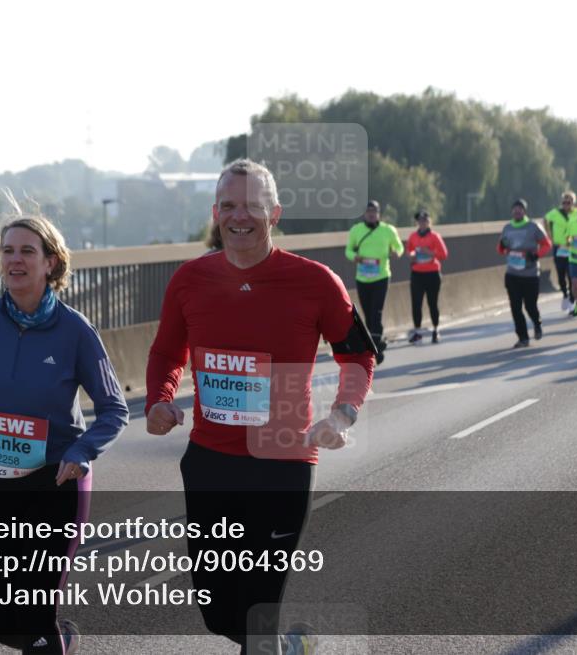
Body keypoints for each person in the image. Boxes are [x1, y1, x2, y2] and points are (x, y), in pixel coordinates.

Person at [145, 159, 375, 654]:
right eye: (229, 206)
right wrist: (160, 400)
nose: (239, 216)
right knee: (217, 613)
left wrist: (342, 414)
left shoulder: (316, 282)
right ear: (215, 213)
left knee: (257, 614)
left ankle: (272, 645)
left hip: (282, 464)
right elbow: (167, 352)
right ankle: (290, 649)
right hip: (210, 461)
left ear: (274, 213)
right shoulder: (189, 280)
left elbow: (358, 352)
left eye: (252, 205)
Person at [0, 211, 129, 654]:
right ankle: (61, 641)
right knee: (1, 620)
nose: (15, 260)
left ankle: (50, 640)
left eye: (27, 251)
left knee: (35, 612)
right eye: (7, 251)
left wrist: (82, 451)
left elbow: (113, 409)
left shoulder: (76, 330)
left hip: (54, 482)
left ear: (51, 263)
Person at [345, 200, 403, 362]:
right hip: (362, 278)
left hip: (381, 276)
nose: (371, 214)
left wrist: (396, 252)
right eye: (368, 211)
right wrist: (354, 257)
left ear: (378, 214)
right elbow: (348, 250)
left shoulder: (388, 230)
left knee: (376, 312)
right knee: (368, 315)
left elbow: (399, 247)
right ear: (365, 214)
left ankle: (375, 348)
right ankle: (377, 341)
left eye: (374, 211)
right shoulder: (356, 230)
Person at [497, 199, 551, 348]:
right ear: (511, 212)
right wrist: (501, 246)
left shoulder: (533, 227)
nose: (517, 211)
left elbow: (547, 244)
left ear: (525, 211)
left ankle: (537, 322)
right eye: (515, 209)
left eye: (520, 209)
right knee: (515, 307)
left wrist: (536, 255)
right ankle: (523, 338)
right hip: (512, 273)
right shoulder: (507, 228)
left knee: (530, 306)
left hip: (530, 274)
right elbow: (501, 250)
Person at [405, 210, 448, 344]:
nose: (422, 223)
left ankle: (436, 330)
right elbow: (408, 250)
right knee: (416, 304)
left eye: (425, 220)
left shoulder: (435, 237)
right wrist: (411, 255)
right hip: (417, 273)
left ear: (429, 221)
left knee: (432, 303)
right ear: (417, 223)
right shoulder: (413, 236)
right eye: (420, 221)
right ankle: (417, 332)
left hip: (432, 273)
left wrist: (430, 252)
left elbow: (444, 254)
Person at [543, 192, 577, 312]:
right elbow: (545, 219)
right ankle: (565, 294)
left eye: (569, 202)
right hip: (559, 248)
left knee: (572, 274)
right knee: (561, 275)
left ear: (573, 203)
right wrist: (549, 236)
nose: (566, 205)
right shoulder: (555, 213)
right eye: (564, 202)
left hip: (572, 248)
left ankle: (573, 299)